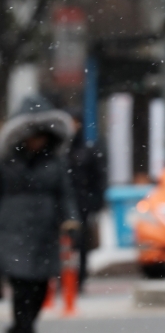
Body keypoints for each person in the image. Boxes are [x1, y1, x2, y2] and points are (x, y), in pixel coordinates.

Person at [0, 96, 79, 333]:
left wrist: (70, 219)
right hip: (11, 231)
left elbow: (65, 194)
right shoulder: (6, 161)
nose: (37, 141)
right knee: (22, 291)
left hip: (44, 232)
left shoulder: (56, 162)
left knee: (39, 290)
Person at [67, 110, 107, 291]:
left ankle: (79, 279)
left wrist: (95, 203)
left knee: (81, 243)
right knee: (64, 243)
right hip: (65, 204)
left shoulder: (88, 151)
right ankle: (64, 279)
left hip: (82, 204)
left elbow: (98, 179)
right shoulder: (60, 152)